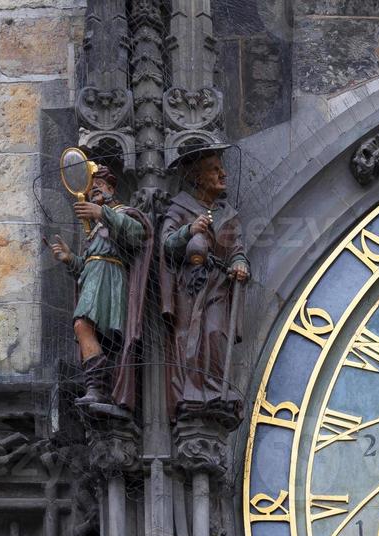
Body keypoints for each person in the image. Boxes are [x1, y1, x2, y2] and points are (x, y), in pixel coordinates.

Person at [48, 165, 152, 413]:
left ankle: (98, 385)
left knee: (83, 326)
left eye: (99, 185)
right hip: (94, 279)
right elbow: (87, 265)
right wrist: (70, 259)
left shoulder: (123, 213)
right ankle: (98, 386)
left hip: (110, 280)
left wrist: (101, 213)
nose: (94, 189)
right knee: (87, 329)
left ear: (111, 188)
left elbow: (138, 234)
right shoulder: (94, 229)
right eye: (91, 187)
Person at [159, 145, 250, 419]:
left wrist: (240, 264)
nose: (223, 174)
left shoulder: (228, 214)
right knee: (190, 337)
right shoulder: (180, 208)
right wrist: (189, 231)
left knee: (215, 333)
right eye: (215, 169)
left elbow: (237, 250)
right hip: (190, 286)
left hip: (219, 286)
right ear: (198, 178)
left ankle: (215, 390)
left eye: (221, 168)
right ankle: (192, 392)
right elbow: (166, 244)